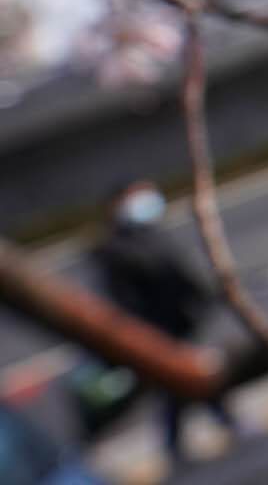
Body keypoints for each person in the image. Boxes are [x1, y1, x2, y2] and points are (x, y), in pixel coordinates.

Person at [88, 180, 237, 462]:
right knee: (181, 381)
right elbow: (126, 300)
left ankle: (197, 433)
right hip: (157, 329)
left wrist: (205, 297)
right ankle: (204, 430)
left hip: (178, 323)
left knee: (182, 381)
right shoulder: (114, 250)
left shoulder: (148, 235)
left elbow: (178, 274)